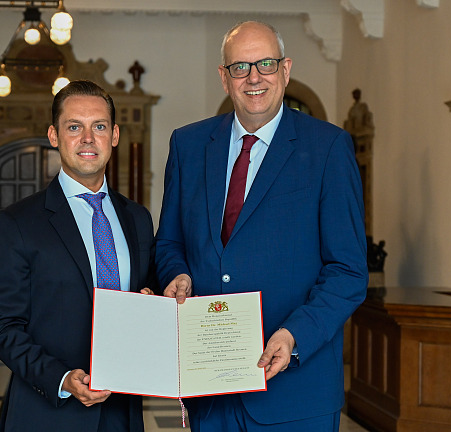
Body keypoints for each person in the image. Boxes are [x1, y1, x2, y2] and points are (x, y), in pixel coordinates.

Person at [155, 21, 368, 431]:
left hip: (295, 392)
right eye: (240, 67)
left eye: (266, 64)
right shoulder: (188, 145)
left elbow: (348, 271)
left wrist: (294, 336)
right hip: (211, 392)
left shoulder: (328, 148)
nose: (254, 77)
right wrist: (176, 273)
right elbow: (169, 241)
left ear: (285, 70)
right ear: (224, 77)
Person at [0, 80, 157, 432]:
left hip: (122, 413)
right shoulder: (17, 222)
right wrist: (62, 378)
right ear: (54, 135)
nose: (88, 139)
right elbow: (1, 326)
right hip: (47, 412)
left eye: (99, 127)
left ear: (115, 135)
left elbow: (147, 292)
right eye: (74, 127)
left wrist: (152, 303)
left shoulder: (137, 218)